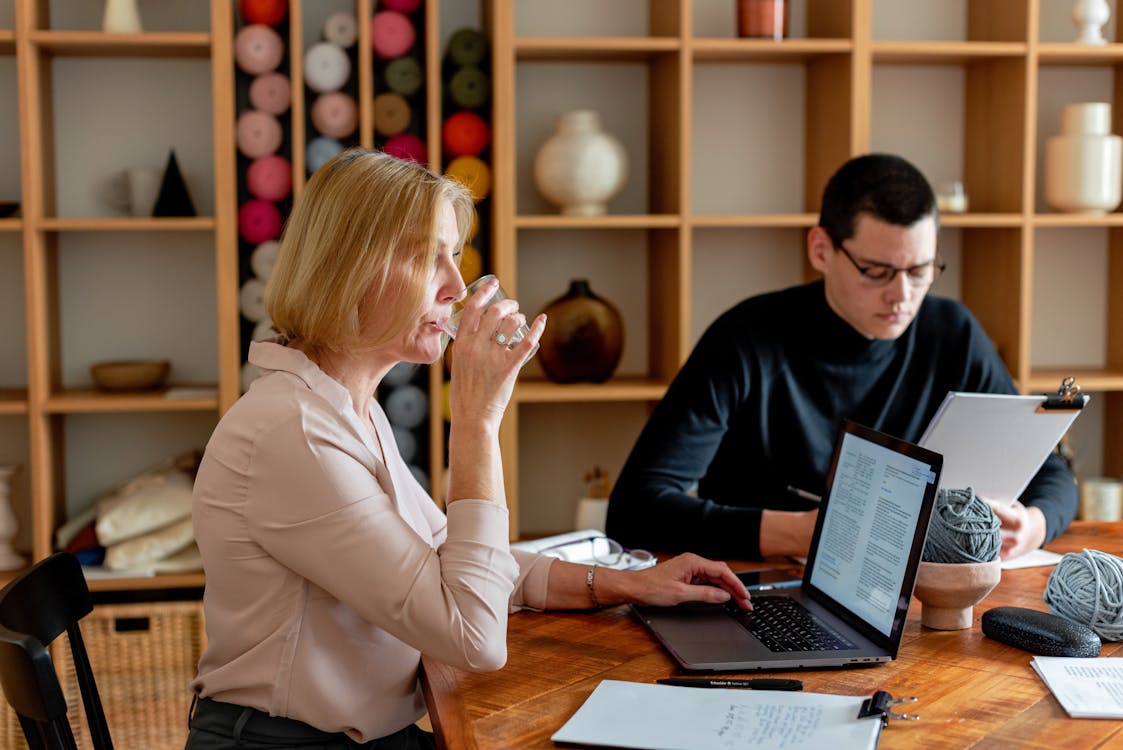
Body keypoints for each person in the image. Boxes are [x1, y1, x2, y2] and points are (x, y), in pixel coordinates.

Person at [186, 148, 750, 750]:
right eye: (426, 257)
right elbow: (472, 633)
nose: (456, 287)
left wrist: (630, 584)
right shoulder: (293, 433)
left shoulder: (346, 408)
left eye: (454, 256)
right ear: (349, 266)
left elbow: (464, 566)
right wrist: (477, 422)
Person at [606, 152, 1077, 563]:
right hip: (757, 590)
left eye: (920, 271)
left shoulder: (951, 333)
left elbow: (1051, 474)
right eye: (876, 272)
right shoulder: (746, 339)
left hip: (906, 602)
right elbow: (634, 509)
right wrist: (800, 533)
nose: (902, 296)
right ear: (821, 249)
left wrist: (1032, 525)